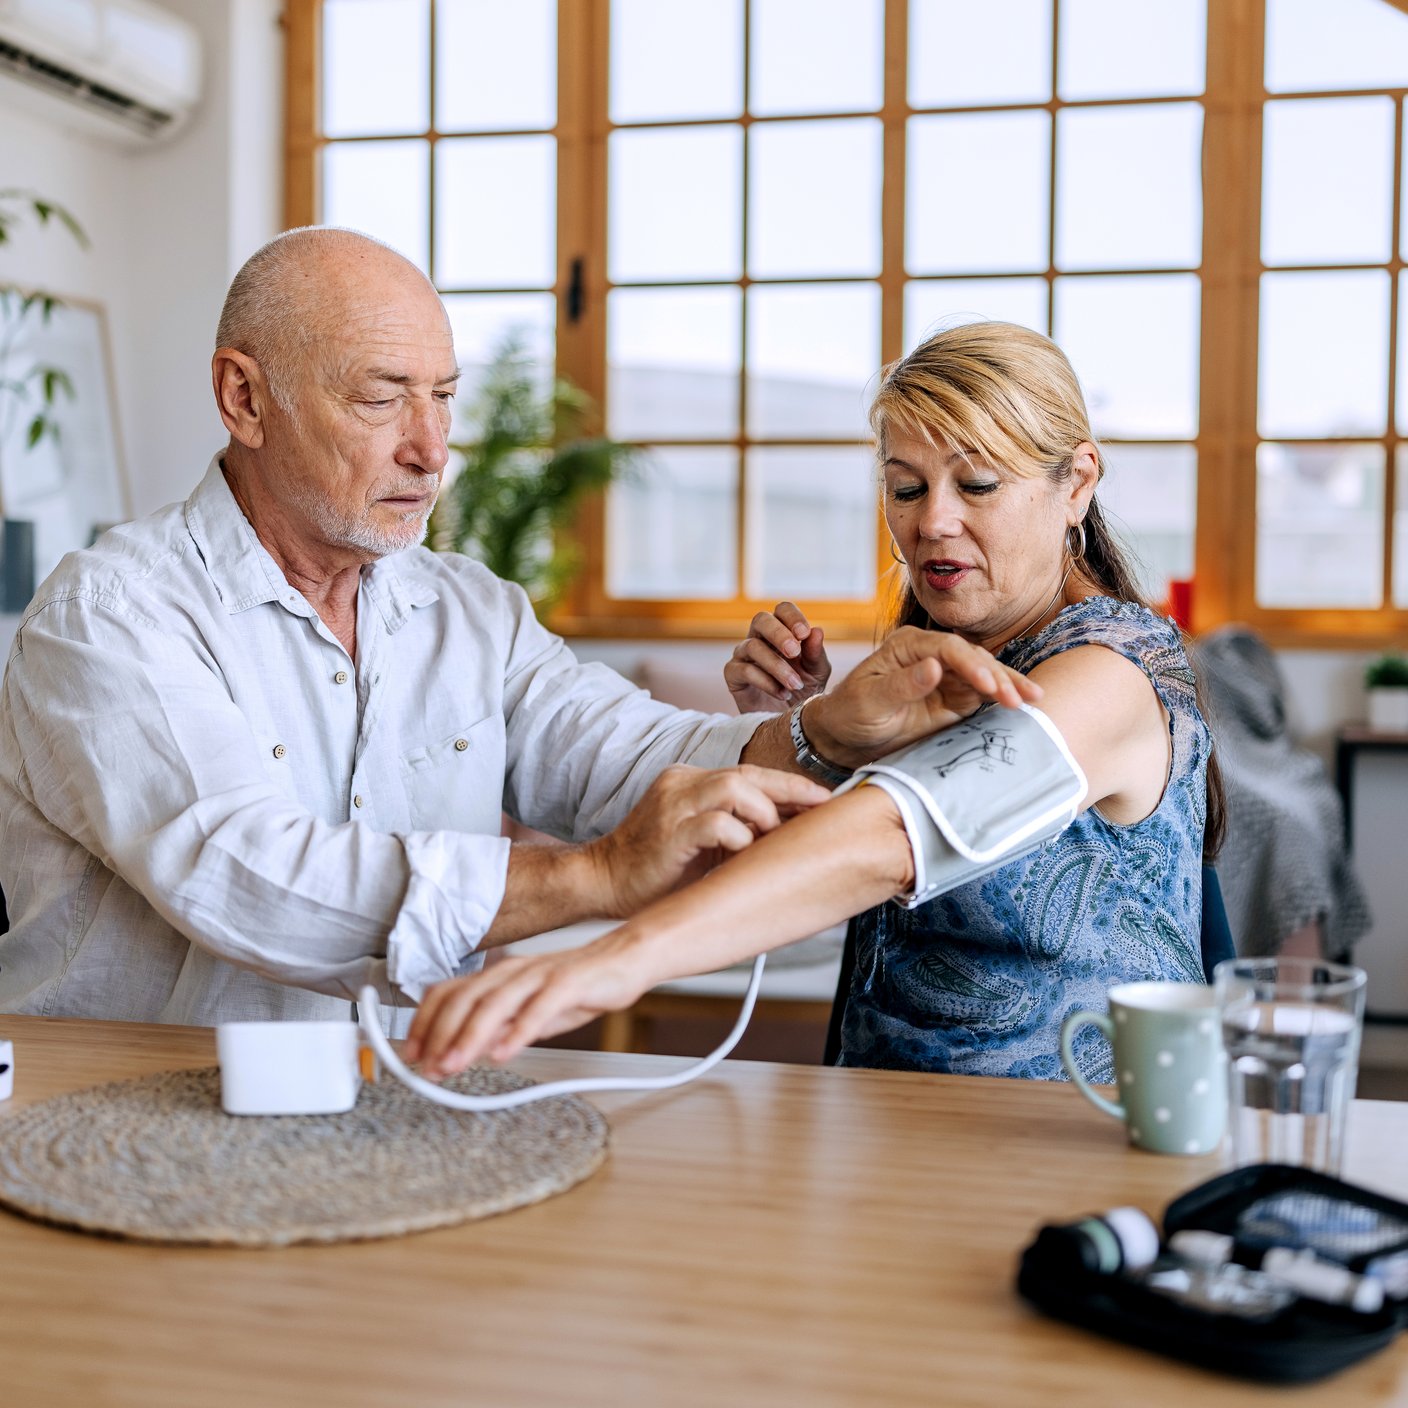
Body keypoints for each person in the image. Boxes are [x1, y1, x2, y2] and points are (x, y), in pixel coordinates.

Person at [0, 231, 1032, 1029]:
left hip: (405, 1119)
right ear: (244, 397)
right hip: (113, 1137)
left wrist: (828, 730)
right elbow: (248, 877)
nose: (430, 447)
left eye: (443, 398)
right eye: (381, 398)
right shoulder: (110, 616)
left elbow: (636, 760)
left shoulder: (469, 613)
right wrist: (591, 876)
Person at [406, 321, 1225, 1081]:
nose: (933, 523)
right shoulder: (952, 663)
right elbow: (829, 864)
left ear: (1077, 482)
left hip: (1064, 1146)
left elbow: (898, 836)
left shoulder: (1112, 672)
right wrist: (813, 733)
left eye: (976, 484)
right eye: (905, 489)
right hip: (892, 1126)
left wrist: (608, 961)